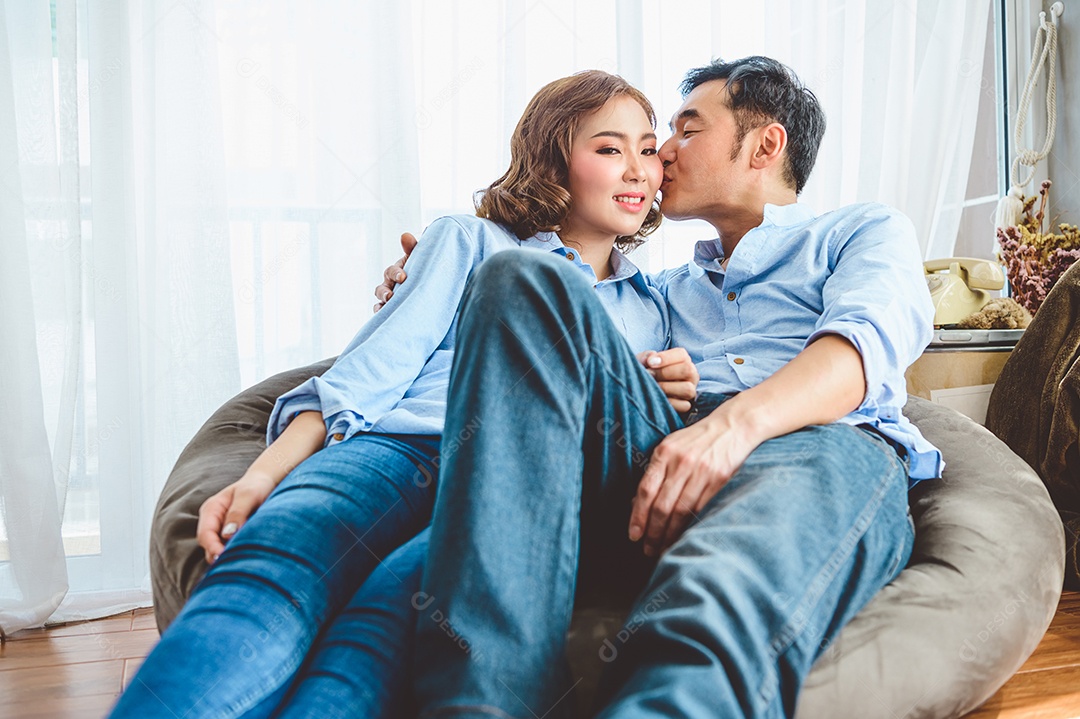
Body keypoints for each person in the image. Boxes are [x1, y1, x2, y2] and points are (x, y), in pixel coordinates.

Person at [108, 70, 700, 719]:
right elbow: (373, 367)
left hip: (502, 495)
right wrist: (265, 473)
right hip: (400, 450)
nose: (638, 169)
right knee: (268, 574)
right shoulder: (471, 239)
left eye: (649, 150)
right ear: (553, 159)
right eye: (610, 148)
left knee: (371, 638)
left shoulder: (655, 306)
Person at [377, 56, 941, 718]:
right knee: (521, 280)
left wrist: (729, 428)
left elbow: (861, 350)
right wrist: (427, 277)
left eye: (687, 130)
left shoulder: (859, 231)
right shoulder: (659, 292)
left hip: (814, 441)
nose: (661, 153)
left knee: (713, 596)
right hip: (655, 462)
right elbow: (559, 330)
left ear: (765, 145)